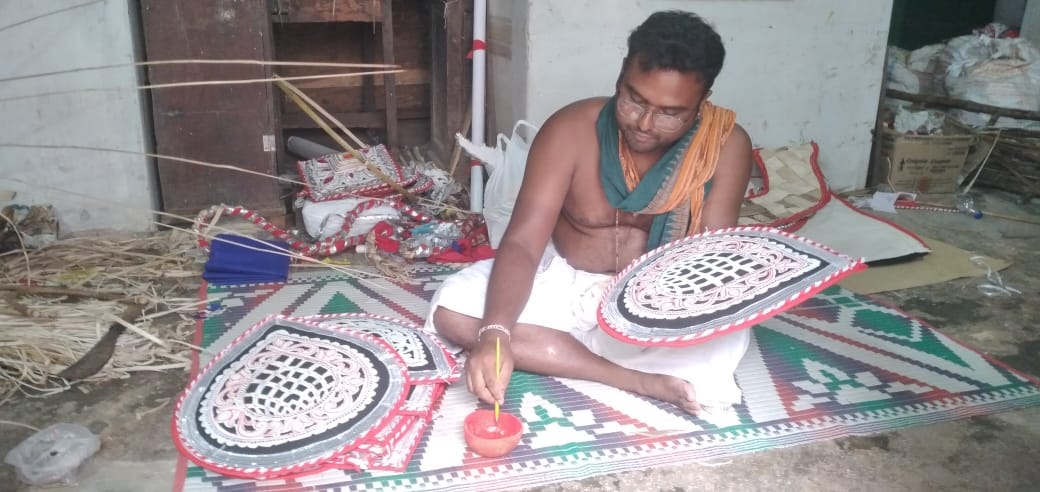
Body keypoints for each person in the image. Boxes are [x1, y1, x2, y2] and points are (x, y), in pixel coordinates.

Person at [424, 10, 753, 415]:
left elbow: (708, 264)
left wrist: (648, 309)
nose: (645, 124)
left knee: (719, 337)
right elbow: (524, 242)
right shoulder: (571, 130)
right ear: (620, 76)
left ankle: (565, 351)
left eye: (670, 113)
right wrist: (494, 332)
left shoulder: (724, 148)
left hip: (657, 300)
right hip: (566, 282)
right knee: (454, 311)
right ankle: (635, 379)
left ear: (703, 102)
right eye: (635, 100)